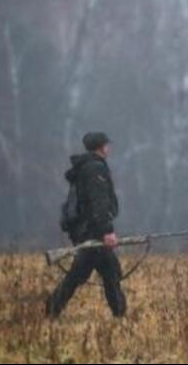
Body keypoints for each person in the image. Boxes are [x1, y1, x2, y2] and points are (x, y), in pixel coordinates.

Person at [46, 132, 126, 319]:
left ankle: (52, 309)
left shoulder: (87, 166)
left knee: (90, 273)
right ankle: (121, 316)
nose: (109, 148)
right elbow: (98, 203)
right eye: (107, 144)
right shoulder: (95, 168)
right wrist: (107, 232)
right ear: (101, 147)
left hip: (87, 230)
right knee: (109, 272)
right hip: (93, 232)